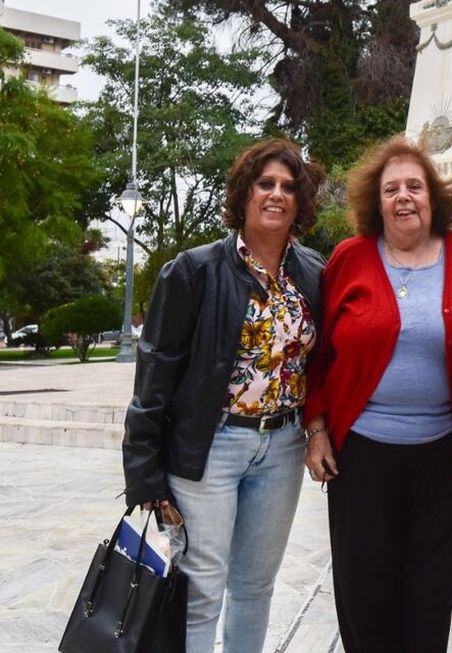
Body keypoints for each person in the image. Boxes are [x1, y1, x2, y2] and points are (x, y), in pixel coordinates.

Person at [122, 138, 327, 652]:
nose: (277, 194)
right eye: (265, 184)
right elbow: (155, 377)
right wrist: (144, 471)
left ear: (300, 200)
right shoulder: (193, 271)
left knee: (255, 587)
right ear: (244, 194)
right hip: (210, 447)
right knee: (201, 586)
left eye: (288, 186)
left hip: (281, 447)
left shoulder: (313, 273)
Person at [302, 135, 452, 652]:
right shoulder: (349, 259)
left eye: (415, 185)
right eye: (392, 189)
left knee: (430, 597)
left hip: (446, 456)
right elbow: (317, 355)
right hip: (362, 456)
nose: (404, 197)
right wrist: (317, 428)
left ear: (434, 197)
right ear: (377, 201)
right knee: (366, 596)